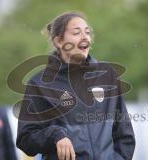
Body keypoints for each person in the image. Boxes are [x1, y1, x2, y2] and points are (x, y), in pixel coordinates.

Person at [16, 11, 135, 160]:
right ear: (59, 41)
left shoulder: (107, 75)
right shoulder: (39, 84)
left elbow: (124, 133)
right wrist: (55, 135)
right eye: (76, 32)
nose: (85, 37)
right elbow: (25, 139)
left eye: (87, 32)